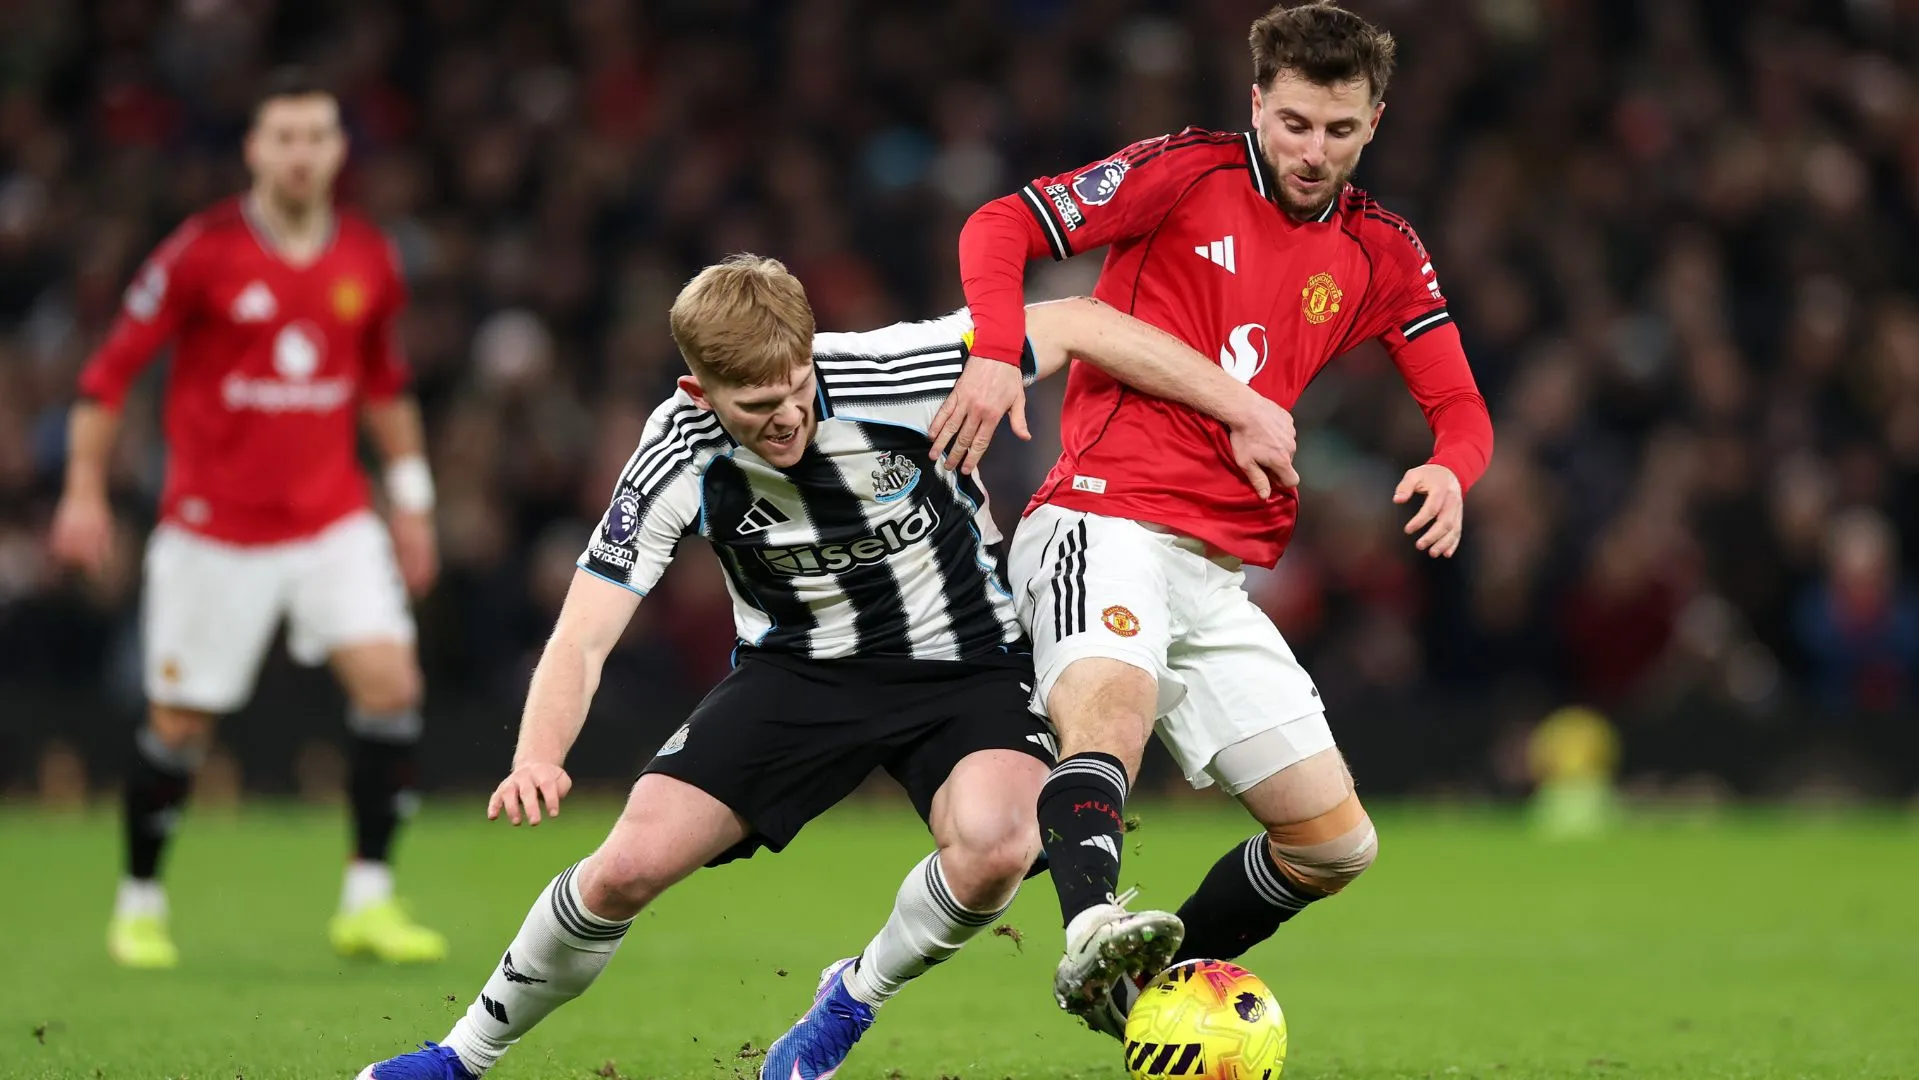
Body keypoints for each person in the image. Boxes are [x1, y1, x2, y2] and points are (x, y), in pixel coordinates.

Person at [355, 255, 1294, 1080]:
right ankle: (458, 1058)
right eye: (757, 406)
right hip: (797, 674)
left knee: (1000, 846)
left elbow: (1084, 322)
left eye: (798, 387)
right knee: (623, 871)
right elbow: (586, 631)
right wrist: (538, 754)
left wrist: (1244, 409)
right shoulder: (675, 449)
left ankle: (849, 1000)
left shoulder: (898, 367)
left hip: (968, 665)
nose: (789, 416)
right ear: (699, 393)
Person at [934, 0, 1496, 1033]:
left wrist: (1454, 470)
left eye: (1337, 129)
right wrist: (990, 348)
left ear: (1375, 121)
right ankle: (1091, 925)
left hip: (1215, 568)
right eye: (1292, 123)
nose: (1312, 151)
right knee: (1111, 716)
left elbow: (1458, 406)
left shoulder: (1380, 249)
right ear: (1256, 103)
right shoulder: (1182, 172)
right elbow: (1001, 222)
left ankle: (1142, 986)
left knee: (1334, 846)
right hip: (1102, 518)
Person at [48, 69, 445, 968]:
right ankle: (140, 904)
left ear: (339, 150)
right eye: (284, 138)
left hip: (332, 519)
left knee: (392, 685)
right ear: (254, 150)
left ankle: (368, 903)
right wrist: (81, 489)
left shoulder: (368, 259)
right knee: (180, 725)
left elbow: (385, 385)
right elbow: (108, 374)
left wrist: (412, 504)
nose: (301, 154)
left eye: (317, 136)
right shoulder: (202, 253)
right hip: (212, 530)